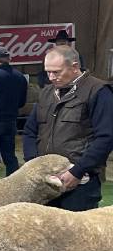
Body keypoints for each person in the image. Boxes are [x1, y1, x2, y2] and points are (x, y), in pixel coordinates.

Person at [23, 45, 113, 212]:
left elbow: (106, 138)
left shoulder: (98, 91)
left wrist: (78, 171)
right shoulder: (46, 93)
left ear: (74, 67)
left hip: (80, 184)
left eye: (56, 72)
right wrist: (33, 164)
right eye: (47, 72)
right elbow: (29, 131)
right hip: (45, 183)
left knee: (77, 236)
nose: (51, 77)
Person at [0, 46, 27, 175]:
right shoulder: (20, 77)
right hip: (11, 121)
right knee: (10, 157)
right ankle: (13, 183)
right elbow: (22, 103)